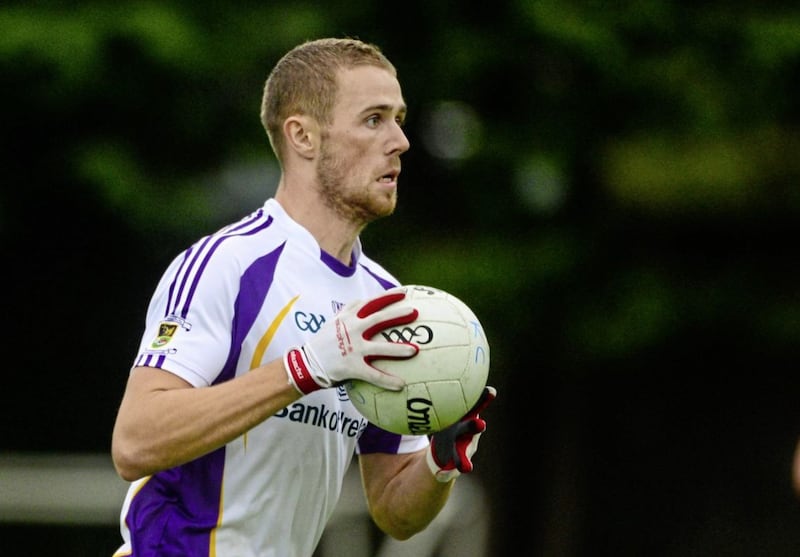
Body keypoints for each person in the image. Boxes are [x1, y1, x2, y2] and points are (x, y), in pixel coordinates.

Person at [110, 37, 496, 557]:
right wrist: (304, 368)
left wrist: (437, 463)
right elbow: (135, 442)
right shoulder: (229, 264)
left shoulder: (386, 300)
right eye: (374, 119)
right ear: (303, 137)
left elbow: (392, 509)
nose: (401, 140)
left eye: (399, 118)